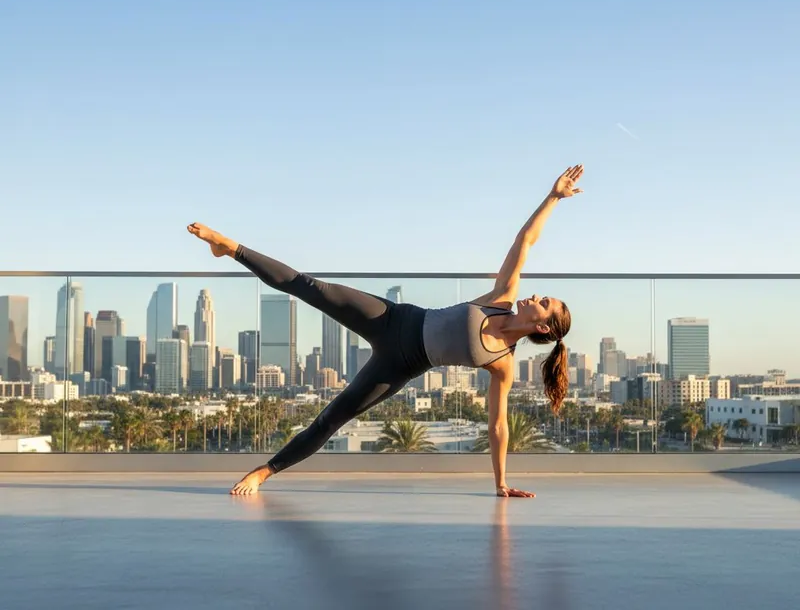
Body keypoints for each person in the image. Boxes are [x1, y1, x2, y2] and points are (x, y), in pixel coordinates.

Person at [187, 164, 583, 497]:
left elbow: (497, 425)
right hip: (393, 318)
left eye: (545, 302)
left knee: (332, 419)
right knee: (311, 288)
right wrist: (554, 198)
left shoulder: (502, 363)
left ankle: (264, 472)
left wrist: (501, 483)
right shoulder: (501, 296)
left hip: (401, 365)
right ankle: (231, 248)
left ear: (542, 325)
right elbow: (525, 241)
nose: (537, 296)